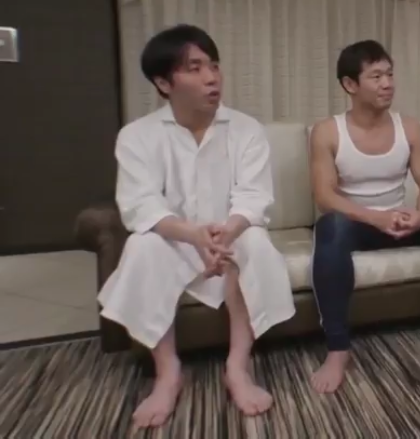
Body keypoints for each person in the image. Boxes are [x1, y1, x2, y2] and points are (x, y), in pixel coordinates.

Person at [97, 25, 296, 428]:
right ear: (163, 83)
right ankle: (168, 372)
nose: (212, 77)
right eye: (195, 68)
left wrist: (226, 234)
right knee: (142, 245)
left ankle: (237, 367)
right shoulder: (137, 136)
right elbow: (140, 206)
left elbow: (254, 196)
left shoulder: (246, 129)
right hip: (175, 239)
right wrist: (193, 235)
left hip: (230, 235)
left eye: (214, 66)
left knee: (255, 243)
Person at [307, 40, 420, 394]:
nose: (387, 84)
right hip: (357, 225)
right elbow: (325, 197)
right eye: (376, 76)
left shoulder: (408, 127)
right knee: (330, 228)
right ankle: (338, 348)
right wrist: (374, 218)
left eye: (390, 74)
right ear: (350, 84)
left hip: (401, 221)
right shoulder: (328, 132)